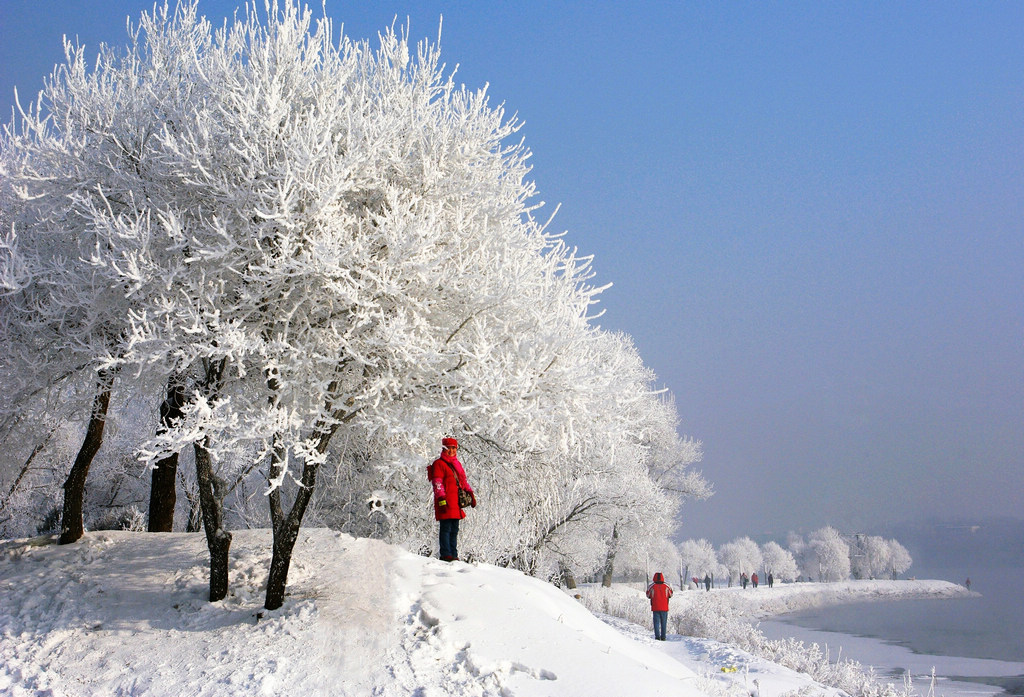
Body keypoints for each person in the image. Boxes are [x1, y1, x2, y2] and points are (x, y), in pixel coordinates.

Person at [428, 437, 476, 562]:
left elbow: (463, 481)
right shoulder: (439, 464)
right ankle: (446, 554)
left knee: (454, 529)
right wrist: (442, 500)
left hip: (456, 502)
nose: (451, 451)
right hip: (446, 501)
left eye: (454, 448)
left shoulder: (456, 464)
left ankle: (454, 554)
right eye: (449, 448)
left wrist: (470, 493)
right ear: (444, 449)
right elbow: (437, 482)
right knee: (446, 528)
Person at [646, 572, 673, 641]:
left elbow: (648, 595)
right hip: (664, 607)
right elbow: (670, 594)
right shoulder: (667, 586)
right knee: (664, 622)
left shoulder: (652, 586)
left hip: (655, 607)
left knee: (656, 623)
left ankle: (657, 637)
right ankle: (663, 637)